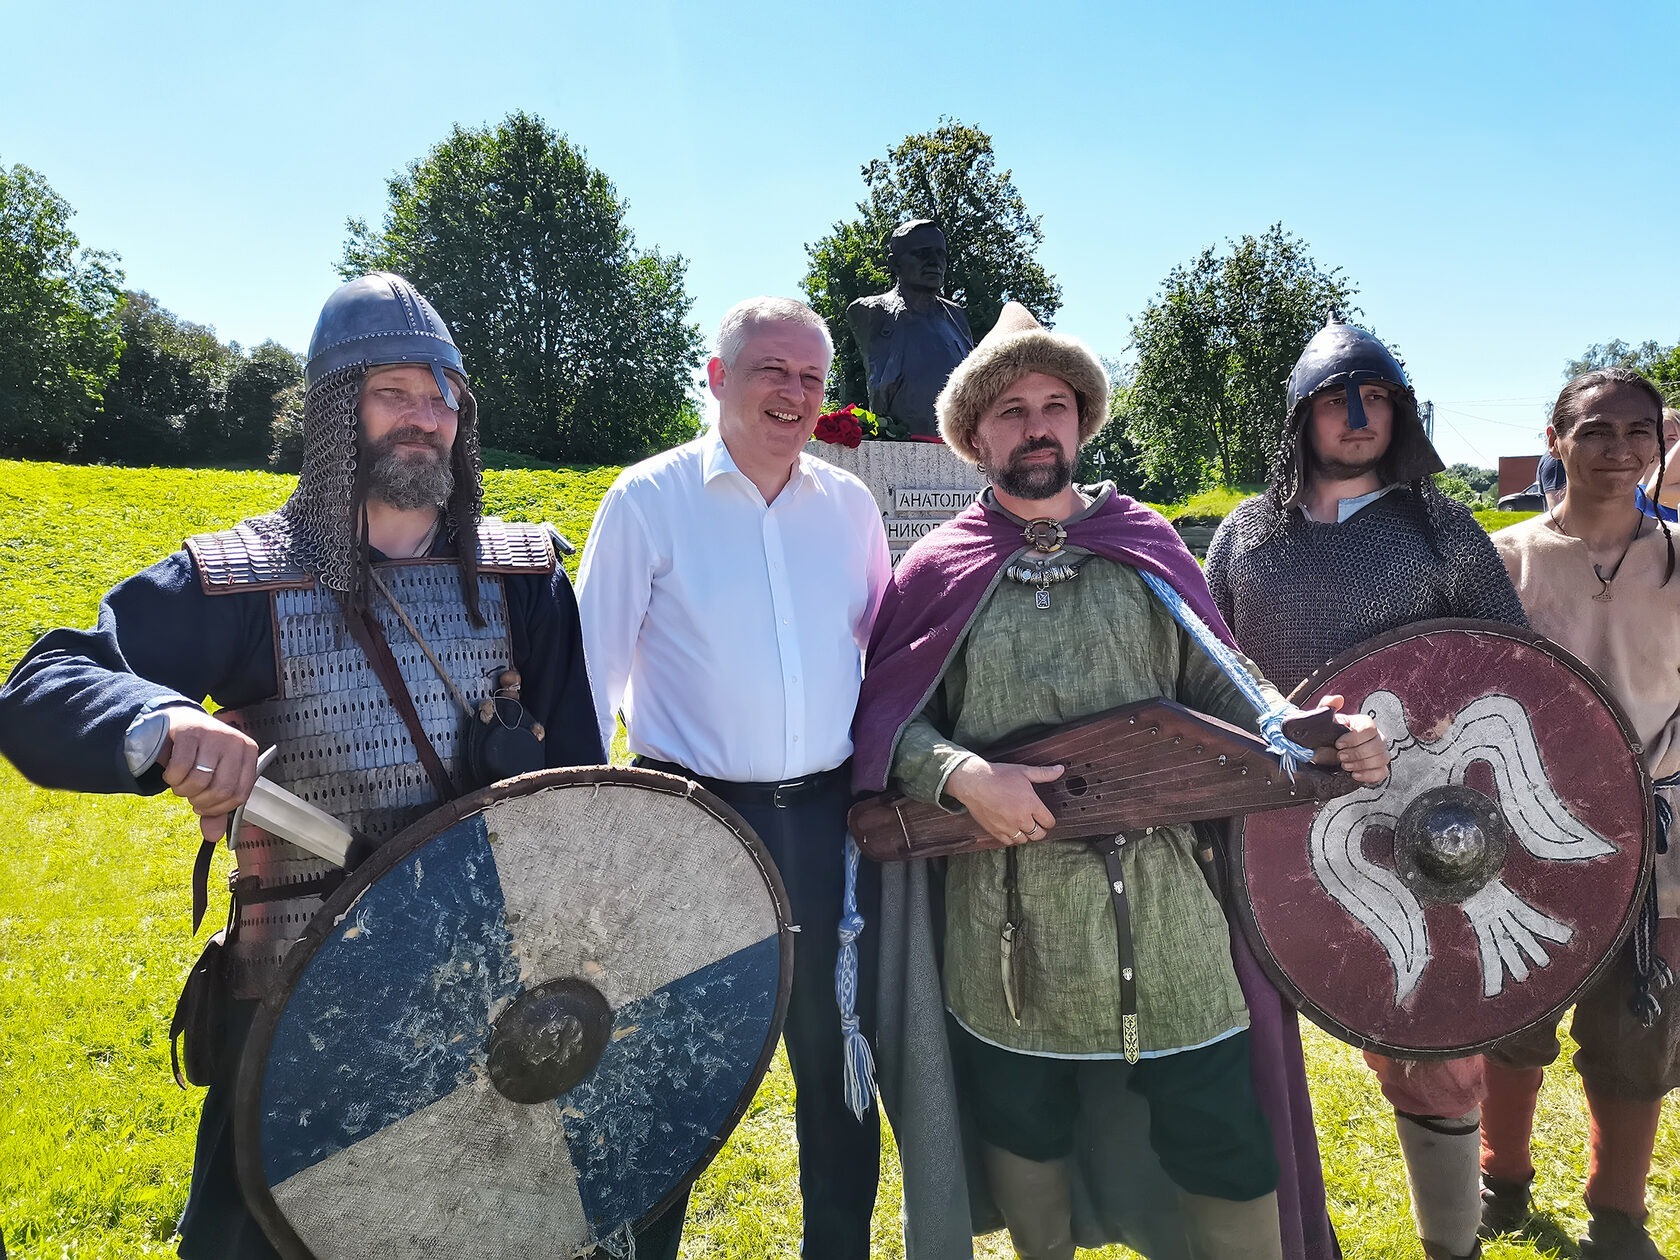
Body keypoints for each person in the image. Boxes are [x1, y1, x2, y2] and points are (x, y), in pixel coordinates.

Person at [0, 272, 603, 1258]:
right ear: (335, 413)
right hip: (300, 991)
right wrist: (160, 723)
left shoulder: (524, 580)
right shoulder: (244, 580)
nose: (425, 417)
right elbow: (47, 682)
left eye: (443, 395)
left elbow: (579, 790)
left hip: (484, 989)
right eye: (393, 392)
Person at [853, 302, 1388, 1260]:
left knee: (1220, 1130)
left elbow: (1226, 683)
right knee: (1023, 1123)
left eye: (1054, 406)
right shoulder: (937, 566)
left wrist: (1309, 731)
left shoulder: (1142, 541)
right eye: (1011, 410)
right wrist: (960, 773)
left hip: (1169, 900)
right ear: (975, 434)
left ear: (1081, 421)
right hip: (1008, 911)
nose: (1036, 427)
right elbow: (889, 718)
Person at [1205, 314, 1528, 1260]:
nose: (1358, 415)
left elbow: (1511, 667)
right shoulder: (1246, 535)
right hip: (1268, 813)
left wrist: (1421, 728)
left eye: (1377, 396)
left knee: (1430, 1037)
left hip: (1420, 816)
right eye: (1337, 399)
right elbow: (1209, 666)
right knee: (1250, 1031)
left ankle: (1452, 1245)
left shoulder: (1441, 528)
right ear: (1299, 416)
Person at [576, 296, 892, 1260]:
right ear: (718, 378)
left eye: (812, 377)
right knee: (667, 1066)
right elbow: (591, 680)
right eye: (771, 370)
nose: (794, 393)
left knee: (838, 1056)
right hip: (690, 825)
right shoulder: (647, 500)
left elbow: (882, 659)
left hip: (825, 823)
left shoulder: (850, 507)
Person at [1484, 367, 1680, 1260]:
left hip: (1658, 834)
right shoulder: (1505, 561)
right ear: (1556, 440)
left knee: (1637, 1027)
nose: (1620, 450)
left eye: (1639, 431)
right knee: (1512, 1017)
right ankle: (1502, 1182)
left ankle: (1619, 1214)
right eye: (1596, 430)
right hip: (1524, 834)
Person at [845, 219, 975, 437]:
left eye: (940, 254)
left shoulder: (956, 316)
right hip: (901, 444)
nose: (934, 262)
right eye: (922, 253)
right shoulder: (872, 312)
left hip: (958, 443)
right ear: (895, 263)